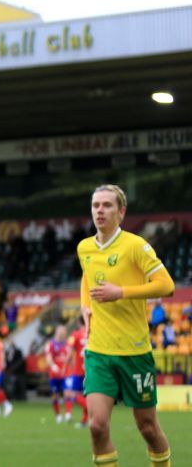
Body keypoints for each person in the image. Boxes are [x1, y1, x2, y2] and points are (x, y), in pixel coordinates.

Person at [78, 184, 174, 467]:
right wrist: (85, 305)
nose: (100, 211)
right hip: (99, 352)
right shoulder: (84, 247)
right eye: (96, 205)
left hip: (134, 352)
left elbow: (167, 285)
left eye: (107, 205)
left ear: (121, 212)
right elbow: (87, 276)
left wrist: (121, 292)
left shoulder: (136, 246)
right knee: (96, 425)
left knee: (147, 428)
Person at [65, 319, 89, 428]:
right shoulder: (91, 333)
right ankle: (84, 421)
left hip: (79, 371)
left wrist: (65, 366)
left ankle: (92, 410)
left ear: (79, 323)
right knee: (87, 395)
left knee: (73, 394)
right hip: (91, 370)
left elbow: (69, 354)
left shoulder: (75, 335)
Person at [45, 324, 70, 423]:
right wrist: (53, 366)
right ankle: (58, 415)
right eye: (62, 332)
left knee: (67, 392)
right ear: (57, 332)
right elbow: (48, 358)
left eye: (65, 332)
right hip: (54, 374)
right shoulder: (50, 344)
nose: (64, 334)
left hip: (65, 373)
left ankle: (68, 414)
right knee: (55, 395)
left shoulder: (67, 344)